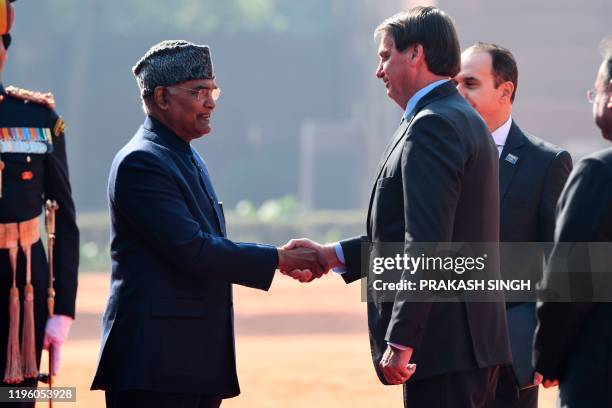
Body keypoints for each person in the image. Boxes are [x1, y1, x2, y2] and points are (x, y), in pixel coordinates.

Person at [286, 7, 511, 407]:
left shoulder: (433, 124)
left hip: (444, 346)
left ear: (416, 54)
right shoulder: (456, 117)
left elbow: (426, 241)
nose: (379, 70)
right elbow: (413, 229)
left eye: (385, 55)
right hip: (463, 346)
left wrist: (404, 338)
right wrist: (334, 256)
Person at [90, 40, 327, 408]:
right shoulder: (142, 161)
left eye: (213, 90)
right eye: (199, 91)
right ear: (163, 97)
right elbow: (194, 249)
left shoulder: (182, 154)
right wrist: (278, 259)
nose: (211, 102)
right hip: (154, 366)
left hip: (190, 362)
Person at [454, 42, 572, 407]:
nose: (458, 93)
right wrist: (338, 255)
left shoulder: (546, 163)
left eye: (470, 83)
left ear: (506, 91)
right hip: (444, 355)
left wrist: (550, 345)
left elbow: (559, 261)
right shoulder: (436, 157)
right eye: (454, 83)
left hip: (511, 357)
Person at [0, 0, 79, 406]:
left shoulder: (37, 118)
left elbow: (63, 215)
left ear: (4, 49)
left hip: (21, 291)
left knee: (14, 401)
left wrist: (62, 311)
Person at [534, 37, 612, 407]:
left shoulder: (599, 174)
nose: (593, 99)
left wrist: (547, 359)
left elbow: (569, 283)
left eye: (595, 91)